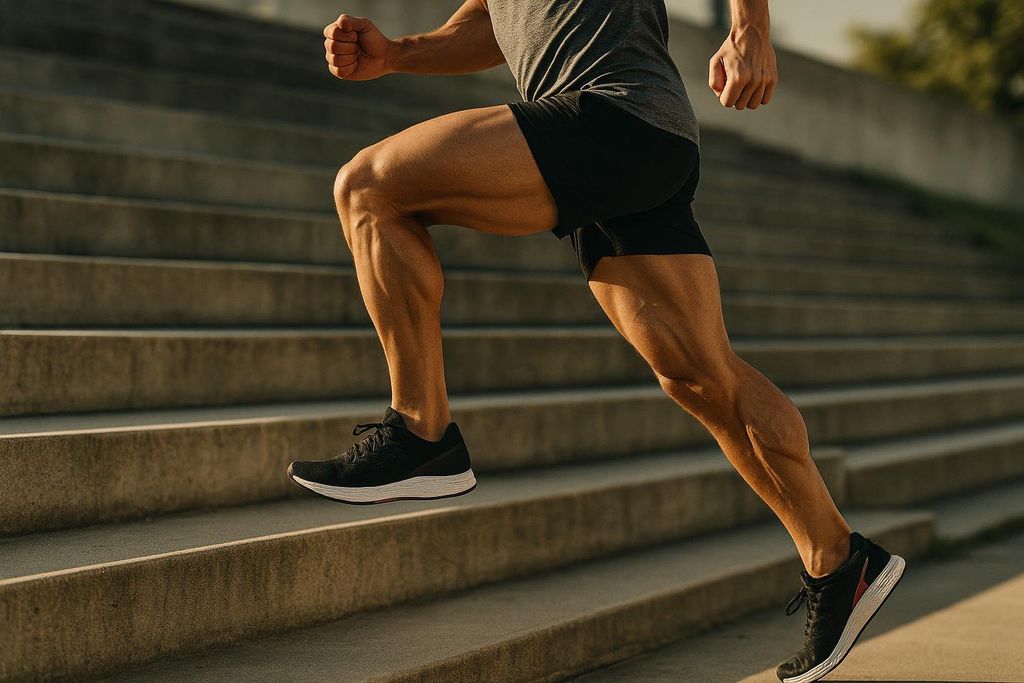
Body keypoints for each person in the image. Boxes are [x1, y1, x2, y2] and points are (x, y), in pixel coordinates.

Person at [286, 1, 906, 680]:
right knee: (701, 377)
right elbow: (493, 21)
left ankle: (420, 431)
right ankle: (839, 560)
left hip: (612, 116)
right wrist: (398, 53)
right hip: (638, 141)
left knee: (369, 186)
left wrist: (750, 31)